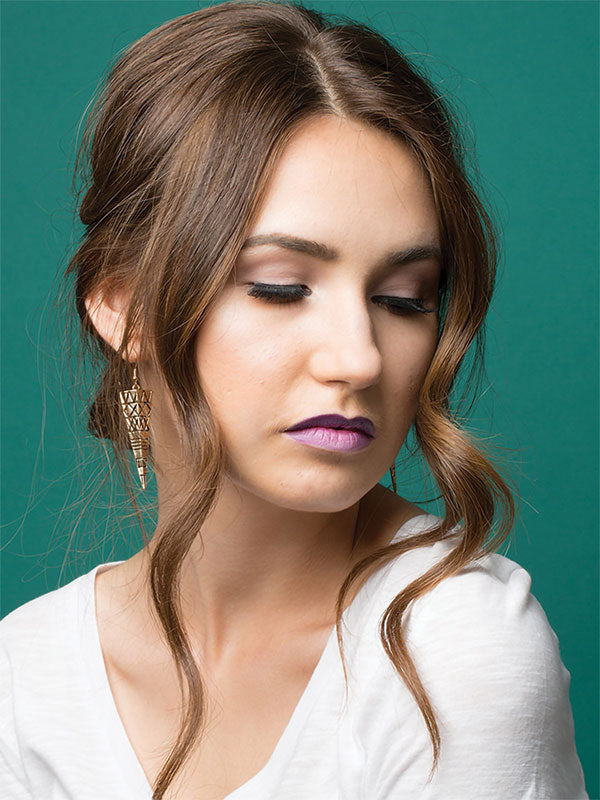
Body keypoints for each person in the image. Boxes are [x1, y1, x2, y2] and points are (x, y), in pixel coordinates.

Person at [0, 1, 588, 798]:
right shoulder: (24, 680)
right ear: (124, 307)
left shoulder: (453, 650)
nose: (359, 357)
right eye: (281, 287)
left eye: (405, 298)